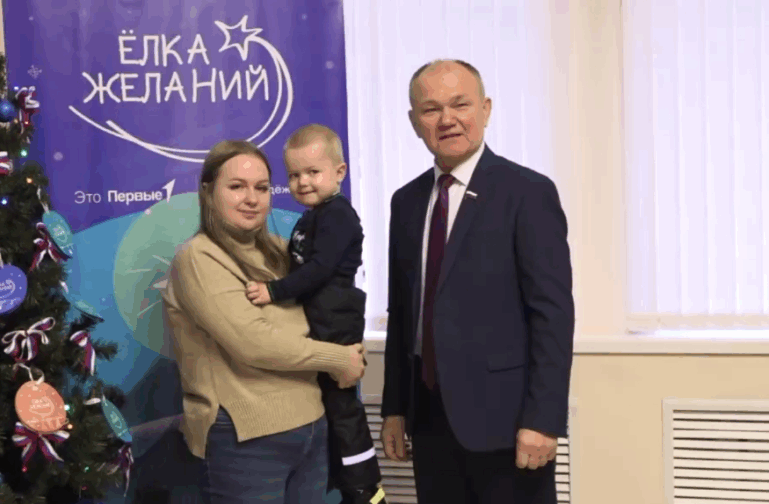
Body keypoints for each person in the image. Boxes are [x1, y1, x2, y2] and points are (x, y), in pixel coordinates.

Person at [380, 59, 575, 504]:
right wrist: (395, 408)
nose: (446, 119)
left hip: (508, 424)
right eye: (431, 109)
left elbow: (552, 315)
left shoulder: (527, 192)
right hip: (429, 421)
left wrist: (543, 420)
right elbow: (403, 314)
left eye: (460, 104)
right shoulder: (405, 202)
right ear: (413, 121)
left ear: (485, 109)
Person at [162, 139, 368, 504]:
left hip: (313, 425)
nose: (252, 199)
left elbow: (321, 312)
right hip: (246, 439)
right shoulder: (198, 258)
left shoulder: (279, 250)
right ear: (208, 192)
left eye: (261, 188)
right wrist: (340, 358)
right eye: (236, 187)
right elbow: (255, 343)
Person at [245, 124, 388, 504]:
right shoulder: (313, 216)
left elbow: (319, 269)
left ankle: (364, 488)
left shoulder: (338, 214)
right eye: (294, 175)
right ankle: (343, 481)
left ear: (339, 172)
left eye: (313, 172)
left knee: (341, 404)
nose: (303, 182)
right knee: (326, 402)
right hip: (320, 314)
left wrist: (273, 291)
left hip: (335, 315)